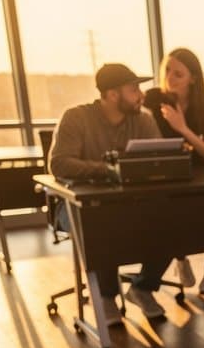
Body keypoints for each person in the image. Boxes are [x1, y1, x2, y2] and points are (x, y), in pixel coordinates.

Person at [48, 63, 171, 324]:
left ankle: (143, 288)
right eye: (134, 88)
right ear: (113, 94)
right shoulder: (76, 117)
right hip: (77, 207)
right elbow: (58, 164)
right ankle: (105, 295)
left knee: (172, 221)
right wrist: (108, 169)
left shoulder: (144, 119)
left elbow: (160, 158)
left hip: (131, 205)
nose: (141, 95)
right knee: (102, 225)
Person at [145, 47, 204, 294]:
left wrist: (182, 128)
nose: (170, 77)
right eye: (167, 70)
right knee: (171, 211)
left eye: (178, 73)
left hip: (197, 173)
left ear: (193, 78)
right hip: (161, 175)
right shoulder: (152, 99)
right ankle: (180, 258)